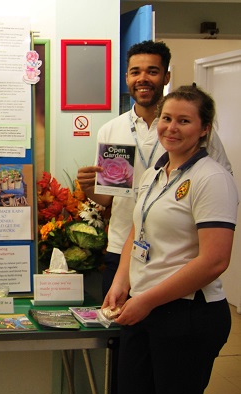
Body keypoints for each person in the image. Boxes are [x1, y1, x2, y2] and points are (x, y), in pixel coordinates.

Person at [103, 85, 237, 394]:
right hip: (144, 306)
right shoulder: (156, 172)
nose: (171, 128)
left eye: (184, 121)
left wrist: (146, 300)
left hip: (187, 313)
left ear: (204, 129)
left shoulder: (212, 178)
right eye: (166, 118)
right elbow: (138, 228)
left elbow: (215, 260)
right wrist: (122, 282)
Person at [77, 40, 232, 296]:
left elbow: (221, 189)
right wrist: (88, 189)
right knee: (121, 329)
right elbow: (109, 198)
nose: (143, 78)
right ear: (126, 77)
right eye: (135, 72)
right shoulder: (111, 129)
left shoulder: (190, 130)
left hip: (174, 253)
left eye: (152, 71)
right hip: (122, 246)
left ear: (166, 76)